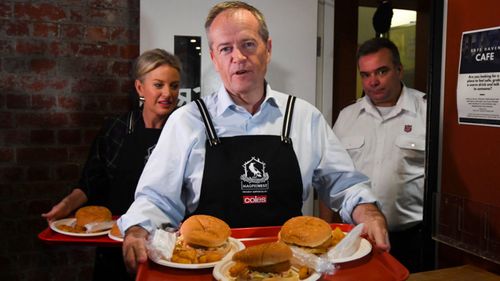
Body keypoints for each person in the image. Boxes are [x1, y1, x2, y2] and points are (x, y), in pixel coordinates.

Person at [119, 1, 390, 273]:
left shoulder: (304, 117)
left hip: (291, 269)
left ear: (268, 49)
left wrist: (367, 209)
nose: (238, 56)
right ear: (214, 58)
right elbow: (156, 199)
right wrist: (137, 228)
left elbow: (344, 183)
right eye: (225, 48)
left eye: (248, 44)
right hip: (208, 268)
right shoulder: (187, 121)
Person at [41, 48, 181, 281]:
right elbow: (90, 182)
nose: (168, 93)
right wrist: (66, 205)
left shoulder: (185, 130)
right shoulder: (116, 128)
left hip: (168, 245)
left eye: (174, 86)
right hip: (114, 240)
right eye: (158, 85)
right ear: (140, 88)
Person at [332, 37, 426, 272]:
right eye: (365, 75)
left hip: (411, 239)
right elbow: (331, 175)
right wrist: (327, 226)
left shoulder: (427, 111)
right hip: (355, 237)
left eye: (381, 71)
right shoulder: (347, 116)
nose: (373, 81)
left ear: (399, 70)